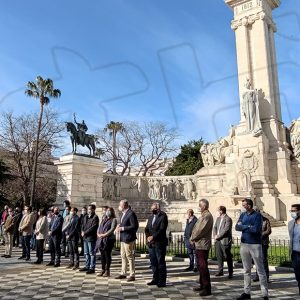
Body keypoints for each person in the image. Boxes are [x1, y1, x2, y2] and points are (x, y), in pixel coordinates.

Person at [235, 198, 268, 300]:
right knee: (246, 270)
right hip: (244, 243)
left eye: (244, 205)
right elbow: (237, 227)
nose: (243, 207)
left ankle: (265, 294)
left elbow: (256, 229)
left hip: (255, 244)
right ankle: (247, 292)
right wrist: (248, 226)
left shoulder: (257, 215)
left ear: (249, 205)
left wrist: (244, 227)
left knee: (260, 269)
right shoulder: (243, 215)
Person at [190, 199, 213, 297]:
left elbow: (200, 230)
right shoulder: (203, 215)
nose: (199, 207)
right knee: (200, 266)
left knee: (203, 266)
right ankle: (202, 284)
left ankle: (207, 288)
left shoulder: (207, 216)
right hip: (199, 244)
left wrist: (192, 238)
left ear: (204, 206)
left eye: (200, 205)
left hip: (202, 244)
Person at [145, 202, 168, 287]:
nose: (152, 210)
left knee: (160, 262)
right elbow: (147, 229)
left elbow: (162, 229)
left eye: (154, 209)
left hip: (159, 243)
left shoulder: (163, 216)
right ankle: (155, 279)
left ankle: (162, 281)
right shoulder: (150, 217)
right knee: (153, 262)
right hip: (151, 243)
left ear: (158, 209)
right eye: (152, 208)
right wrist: (148, 237)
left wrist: (153, 237)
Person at [115, 199, 139, 282]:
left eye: (120, 205)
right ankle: (123, 273)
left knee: (129, 256)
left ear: (124, 205)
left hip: (128, 238)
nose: (119, 206)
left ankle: (132, 274)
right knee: (123, 256)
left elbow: (134, 226)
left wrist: (123, 228)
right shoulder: (124, 214)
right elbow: (124, 224)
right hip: (123, 238)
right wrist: (119, 226)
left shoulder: (131, 213)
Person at [213, 205, 233, 279]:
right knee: (219, 256)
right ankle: (220, 271)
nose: (217, 212)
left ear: (221, 211)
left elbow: (226, 229)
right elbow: (214, 227)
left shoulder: (228, 219)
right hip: (217, 240)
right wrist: (215, 235)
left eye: (218, 210)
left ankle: (230, 272)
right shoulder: (218, 219)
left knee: (227, 257)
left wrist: (219, 236)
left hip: (224, 240)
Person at [96, 207, 117, 277]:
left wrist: (104, 235)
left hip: (109, 239)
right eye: (107, 211)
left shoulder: (114, 219)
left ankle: (107, 270)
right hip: (101, 239)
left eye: (109, 211)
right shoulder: (103, 218)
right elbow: (99, 227)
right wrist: (98, 234)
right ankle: (102, 269)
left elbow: (112, 229)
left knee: (107, 255)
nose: (107, 212)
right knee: (102, 255)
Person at [253, 207, 271, 282]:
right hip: (255, 243)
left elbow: (268, 231)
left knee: (264, 260)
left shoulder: (265, 220)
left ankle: (266, 277)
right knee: (256, 259)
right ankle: (257, 275)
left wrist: (260, 234)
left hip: (263, 242)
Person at [80, 204, 99, 274]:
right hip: (85, 237)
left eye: (90, 209)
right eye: (88, 209)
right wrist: (82, 231)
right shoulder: (85, 217)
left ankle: (92, 267)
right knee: (86, 253)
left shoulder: (95, 217)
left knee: (92, 253)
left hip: (91, 238)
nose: (89, 211)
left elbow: (93, 227)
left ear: (94, 209)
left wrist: (85, 232)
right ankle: (87, 266)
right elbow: (82, 225)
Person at [288, 204, 300, 295]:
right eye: (291, 211)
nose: (292, 213)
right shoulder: (291, 223)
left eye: (294, 211)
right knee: (298, 277)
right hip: (295, 253)